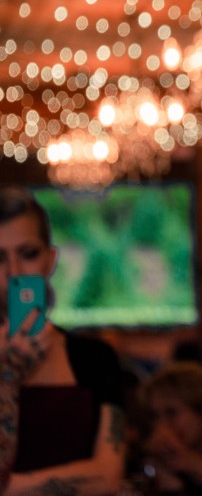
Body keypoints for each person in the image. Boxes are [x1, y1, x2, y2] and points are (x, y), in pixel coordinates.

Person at [0, 185, 126, 495]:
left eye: (28, 254)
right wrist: (7, 377)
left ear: (50, 259)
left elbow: (109, 477)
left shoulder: (95, 359)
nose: (13, 271)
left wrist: (11, 487)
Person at [133, 362, 202, 496]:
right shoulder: (149, 459)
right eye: (154, 416)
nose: (161, 426)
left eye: (171, 413)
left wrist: (195, 465)